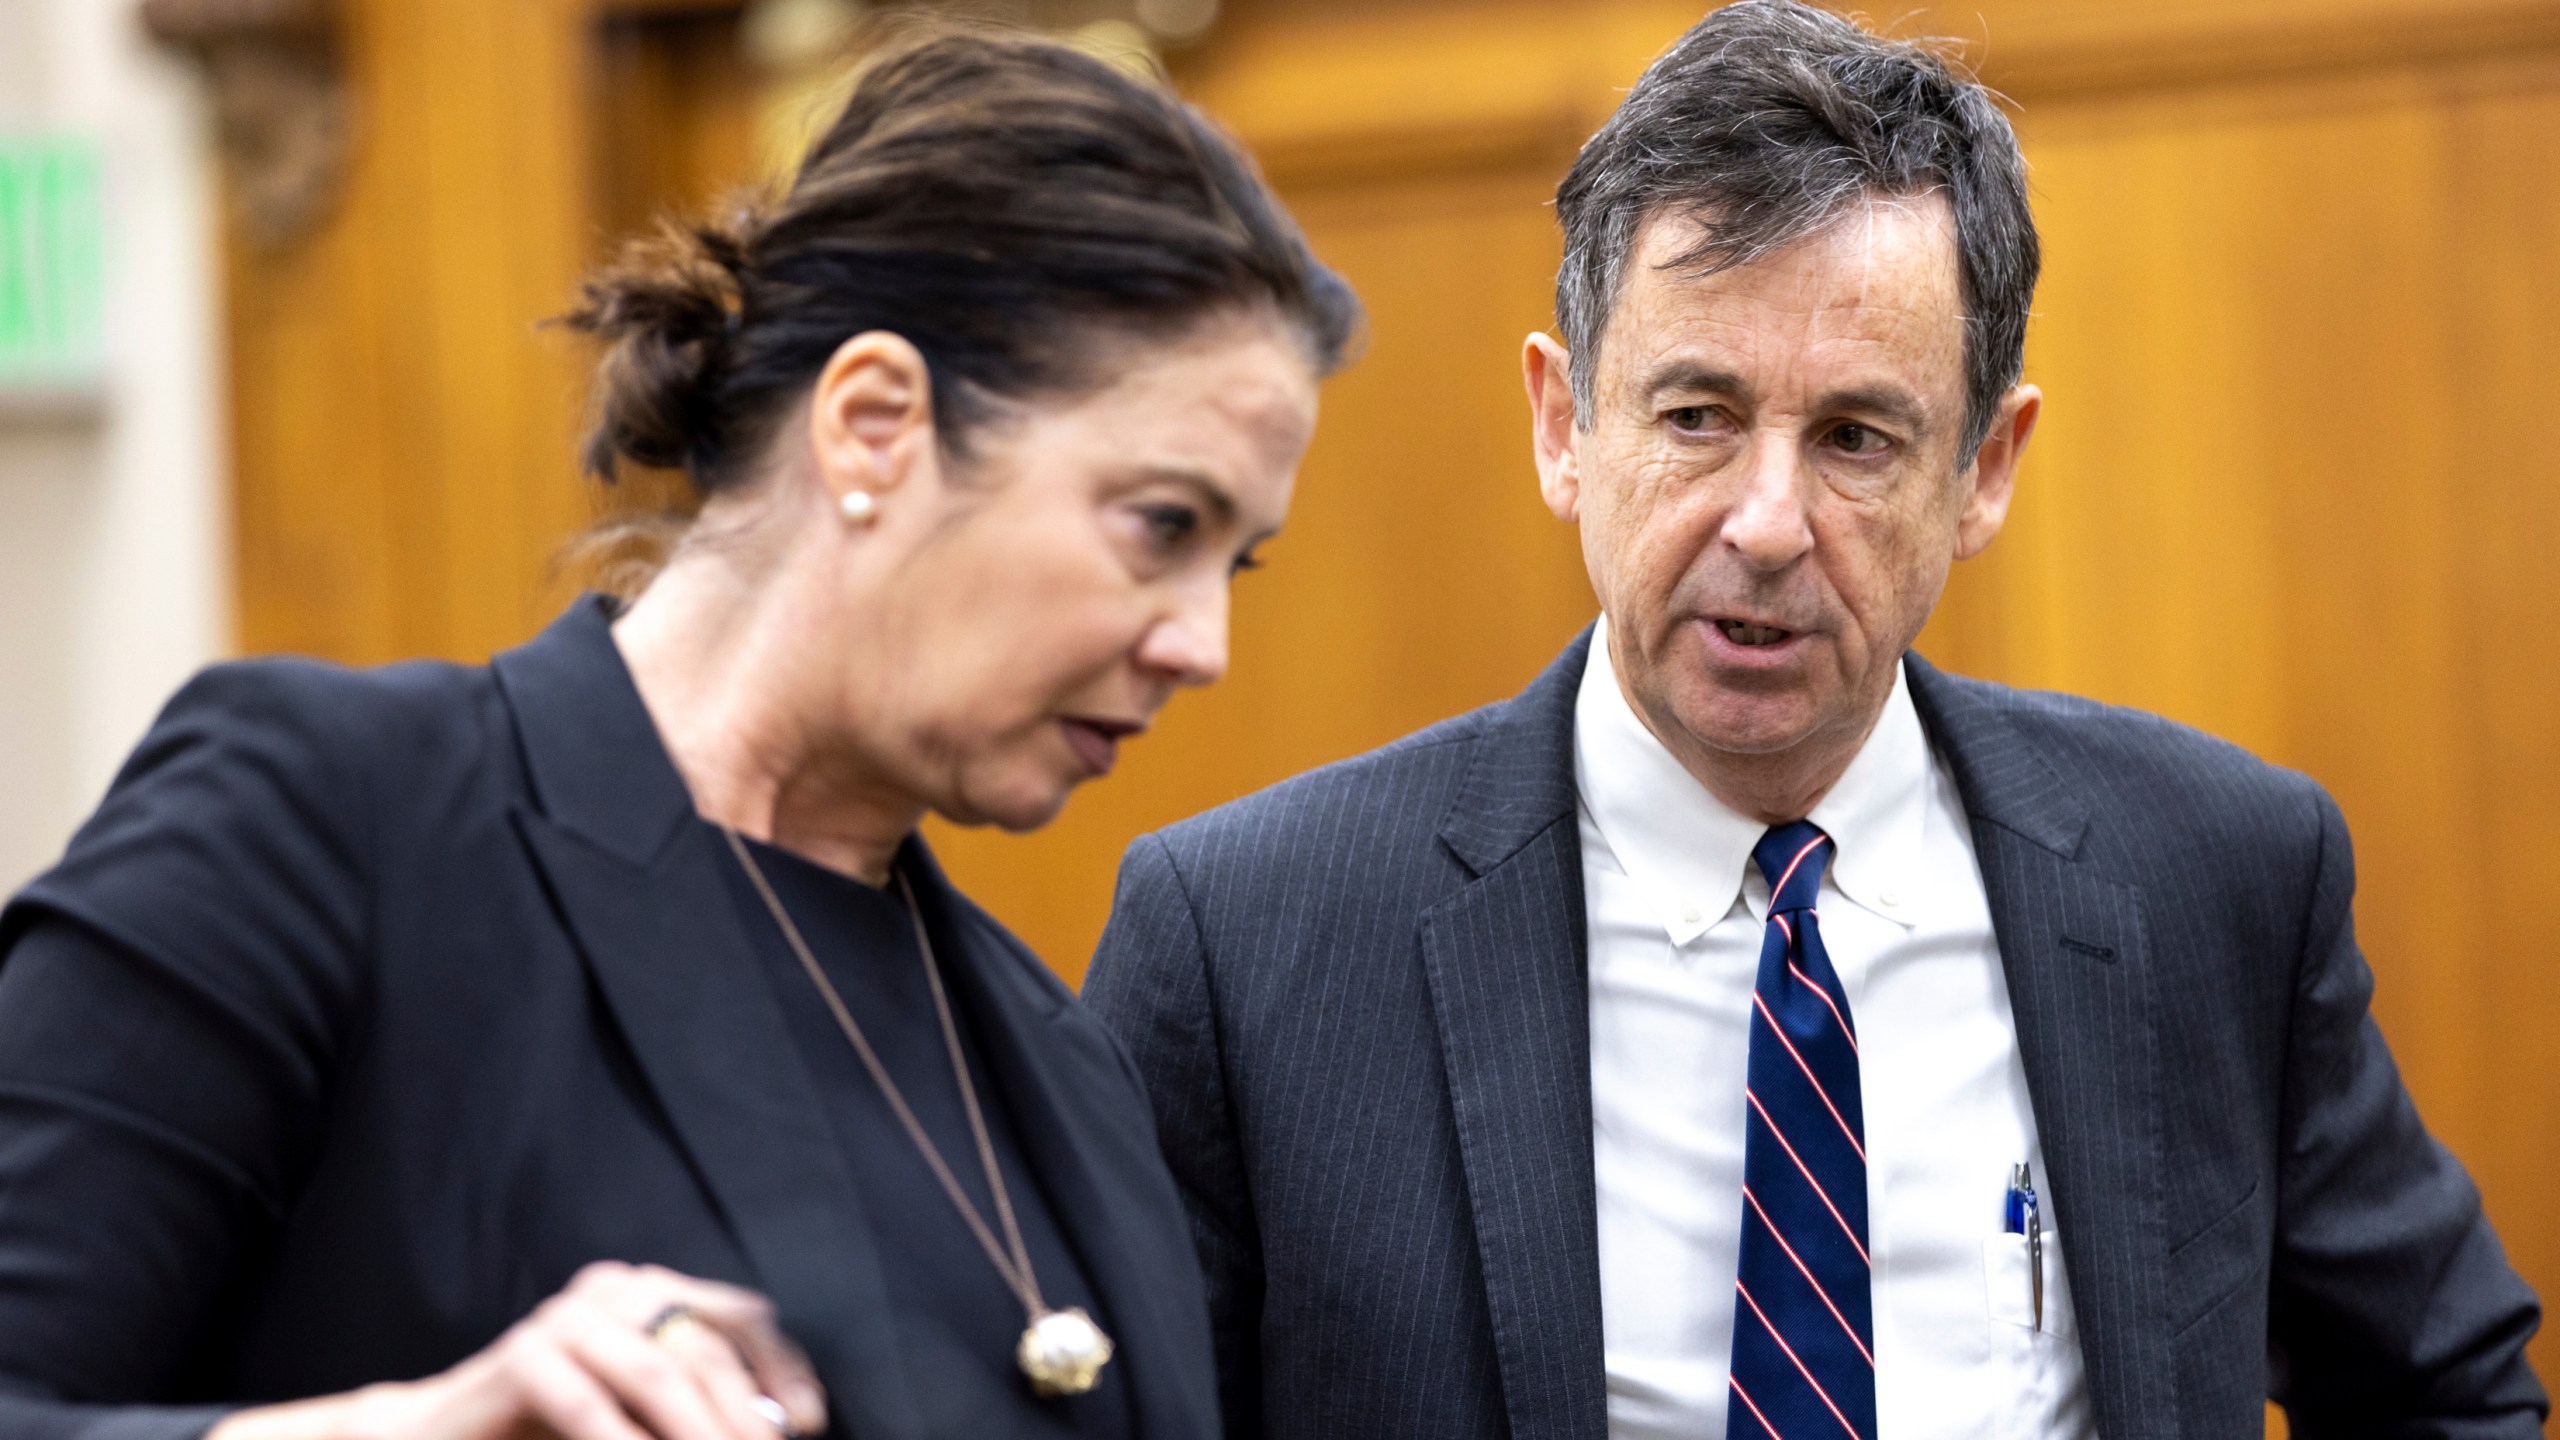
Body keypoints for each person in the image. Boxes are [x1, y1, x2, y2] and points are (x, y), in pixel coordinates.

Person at [1082, 4, 2545, 1438]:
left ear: (1984, 468)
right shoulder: (1245, 946)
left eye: (1855, 437)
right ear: (1562, 424)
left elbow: (2446, 1387)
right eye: (1696, 416)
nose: (1768, 524)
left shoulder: (2218, 872)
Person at [0, 29, 1357, 1440]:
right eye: (1162, 527)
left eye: (1234, 563)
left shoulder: (1064, 1065)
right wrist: (426, 1427)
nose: (1201, 643)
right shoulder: (325, 818)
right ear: (875, 424)